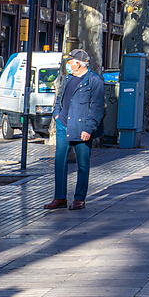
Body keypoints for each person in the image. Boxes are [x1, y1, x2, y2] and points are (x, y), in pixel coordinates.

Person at [45, 49, 106, 211]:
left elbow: (97, 108)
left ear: (78, 63)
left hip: (82, 129)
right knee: (59, 162)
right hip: (63, 126)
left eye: (70, 62)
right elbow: (60, 99)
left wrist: (89, 129)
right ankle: (60, 197)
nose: (68, 65)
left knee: (83, 164)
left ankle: (79, 198)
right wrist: (56, 115)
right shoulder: (68, 79)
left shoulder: (94, 81)